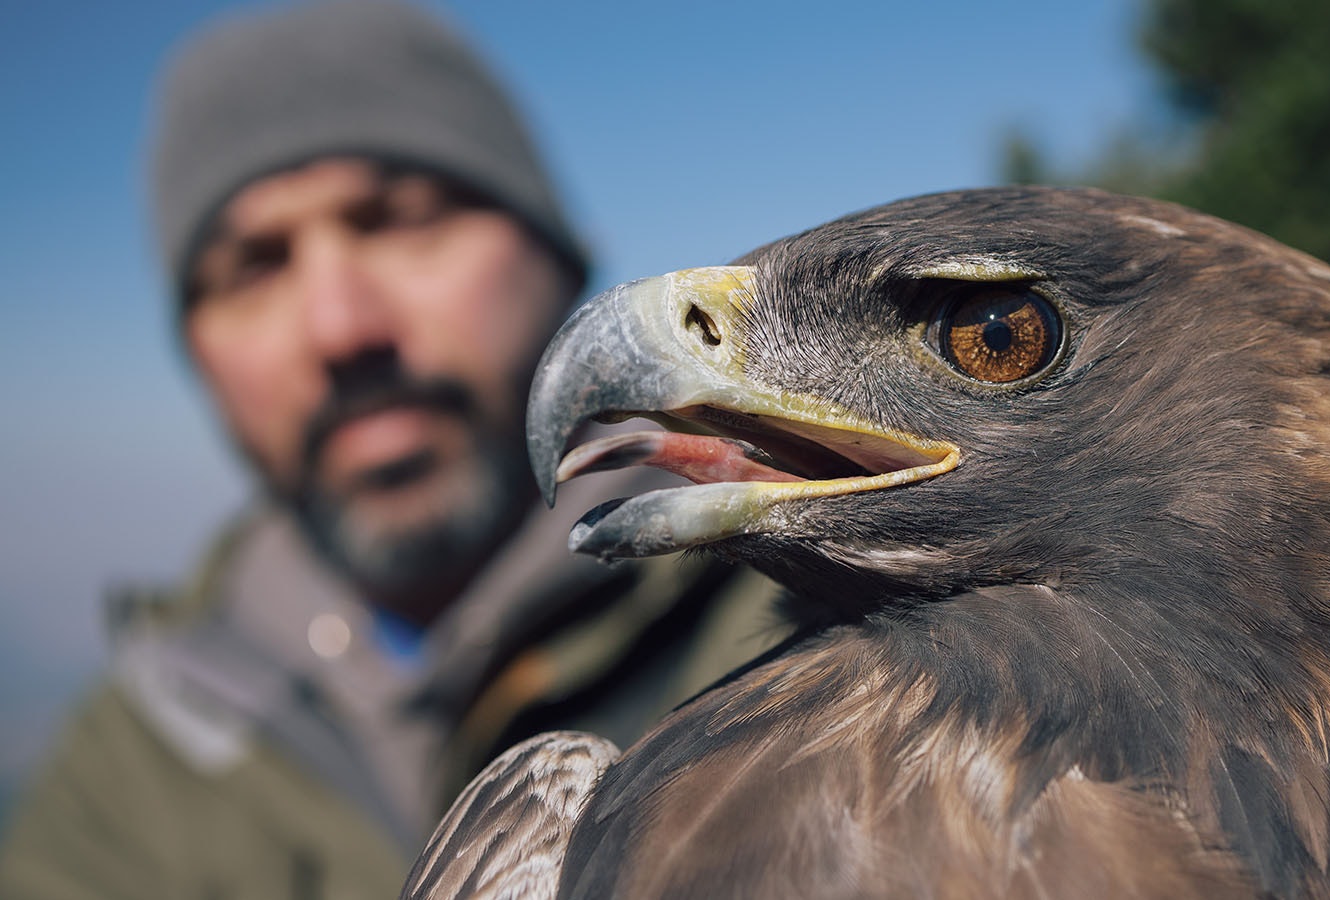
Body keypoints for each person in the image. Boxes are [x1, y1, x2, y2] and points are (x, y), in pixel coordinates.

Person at [0, 3, 778, 898]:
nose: (340, 326)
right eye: (253, 265)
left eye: (398, 218)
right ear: (199, 357)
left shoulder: (851, 630)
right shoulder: (118, 798)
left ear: (563, 261)